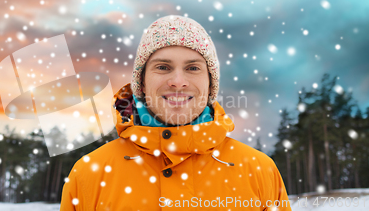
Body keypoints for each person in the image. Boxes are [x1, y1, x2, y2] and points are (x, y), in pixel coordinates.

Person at [60, 15, 292, 210]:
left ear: (211, 84)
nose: (178, 82)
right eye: (163, 67)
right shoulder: (89, 174)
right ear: (141, 82)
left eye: (192, 68)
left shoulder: (259, 171)